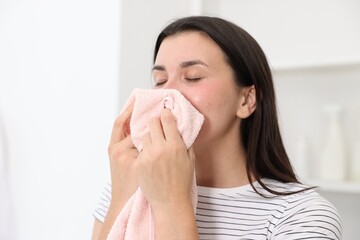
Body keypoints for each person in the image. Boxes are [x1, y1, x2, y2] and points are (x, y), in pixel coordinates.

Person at [92, 16, 342, 239]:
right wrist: (122, 193)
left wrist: (171, 204)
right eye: (160, 80)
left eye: (193, 77)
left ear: (246, 100)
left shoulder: (302, 216)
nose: (167, 94)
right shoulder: (132, 185)